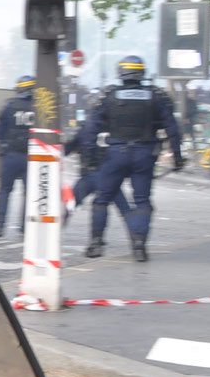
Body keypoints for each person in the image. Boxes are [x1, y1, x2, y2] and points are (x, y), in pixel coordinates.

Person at [76, 55, 183, 261]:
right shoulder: (156, 96)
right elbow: (172, 129)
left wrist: (89, 158)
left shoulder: (109, 96)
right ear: (141, 72)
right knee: (142, 201)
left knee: (102, 200)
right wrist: (177, 157)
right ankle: (139, 246)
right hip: (144, 154)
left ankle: (96, 244)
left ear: (121, 73)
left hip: (115, 154)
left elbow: (89, 130)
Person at [0, 74, 38, 238]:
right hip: (30, 158)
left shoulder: (9, 105)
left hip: (11, 156)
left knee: (4, 191)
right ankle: (25, 227)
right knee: (29, 193)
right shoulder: (39, 107)